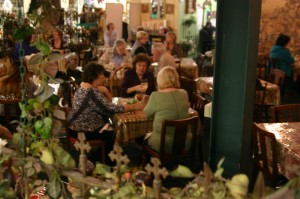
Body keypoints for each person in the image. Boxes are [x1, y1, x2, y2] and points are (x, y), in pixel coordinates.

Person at [67, 62, 145, 162]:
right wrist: (137, 106)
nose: (104, 77)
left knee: (111, 126)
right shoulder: (91, 93)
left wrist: (105, 91)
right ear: (94, 76)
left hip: (75, 126)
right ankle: (100, 160)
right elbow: (112, 109)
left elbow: (108, 105)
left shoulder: (83, 88)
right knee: (113, 132)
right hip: (82, 131)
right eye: (102, 74)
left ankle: (101, 156)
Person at [143, 66, 191, 152]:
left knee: (143, 139)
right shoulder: (184, 93)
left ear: (160, 79)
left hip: (163, 145)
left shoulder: (155, 95)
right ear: (176, 78)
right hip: (185, 143)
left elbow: (146, 114)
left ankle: (153, 164)